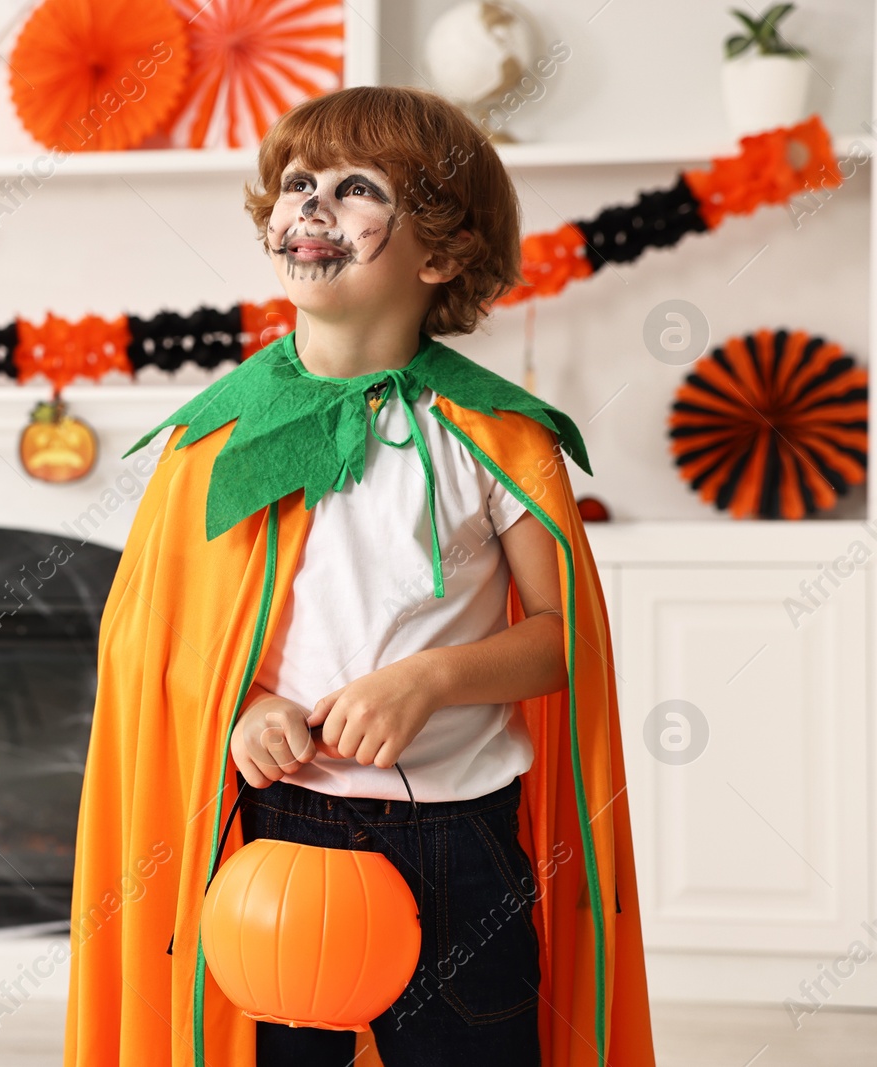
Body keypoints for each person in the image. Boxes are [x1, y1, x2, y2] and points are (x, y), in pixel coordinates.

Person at [64, 86, 656, 1067]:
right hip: (274, 828)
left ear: (439, 254)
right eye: (296, 184)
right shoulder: (218, 436)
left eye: (354, 189)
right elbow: (158, 642)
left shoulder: (495, 437)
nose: (310, 206)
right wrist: (242, 706)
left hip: (458, 843)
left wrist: (428, 677)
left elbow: (563, 637)